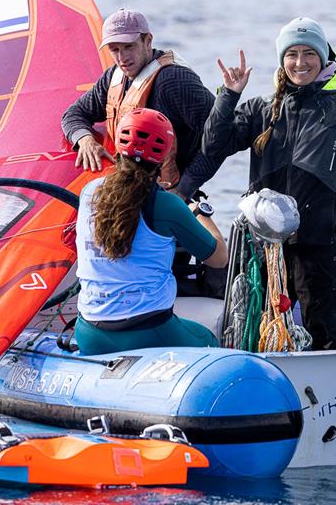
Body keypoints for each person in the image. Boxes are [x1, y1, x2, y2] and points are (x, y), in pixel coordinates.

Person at [202, 17, 336, 351]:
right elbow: (213, 146)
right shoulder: (260, 109)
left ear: (324, 58)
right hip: (261, 251)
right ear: (282, 60)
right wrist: (229, 95)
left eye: (309, 53)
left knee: (327, 338)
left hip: (317, 247)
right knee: (253, 333)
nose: (300, 63)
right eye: (292, 54)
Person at [74, 108, 228, 355]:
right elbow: (219, 258)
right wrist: (200, 212)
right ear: (165, 155)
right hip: (148, 331)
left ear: (118, 143)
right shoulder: (167, 204)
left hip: (89, 332)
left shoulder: (89, 191)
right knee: (209, 340)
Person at [62, 8, 221, 200]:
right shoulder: (113, 77)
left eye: (129, 46)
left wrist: (185, 189)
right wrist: (85, 140)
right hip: (132, 190)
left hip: (171, 195)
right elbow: (74, 114)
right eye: (114, 49)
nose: (122, 58)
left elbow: (223, 135)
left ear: (148, 41)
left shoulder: (174, 81)